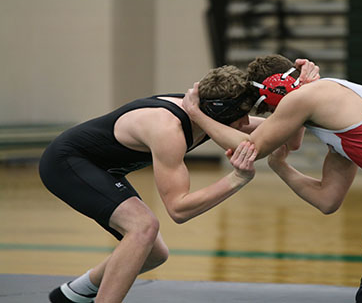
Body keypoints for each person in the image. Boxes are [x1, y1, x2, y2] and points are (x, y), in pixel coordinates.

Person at [182, 54, 362, 303]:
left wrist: (197, 114)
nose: (273, 115)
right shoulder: (341, 111)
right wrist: (282, 167)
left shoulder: (303, 98)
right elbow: (327, 199)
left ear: (277, 90)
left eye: (270, 108)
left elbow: (248, 149)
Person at [39, 65, 261, 303]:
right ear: (219, 113)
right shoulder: (167, 128)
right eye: (241, 116)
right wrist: (236, 179)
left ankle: (73, 294)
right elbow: (178, 209)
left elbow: (276, 131)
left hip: (102, 167)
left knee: (154, 254)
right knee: (143, 227)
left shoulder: (206, 113)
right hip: (66, 164)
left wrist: (301, 110)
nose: (246, 122)